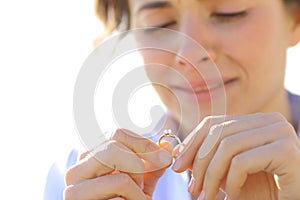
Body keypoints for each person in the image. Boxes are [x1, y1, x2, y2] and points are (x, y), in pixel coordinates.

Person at [44, 0, 300, 199]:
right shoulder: (79, 179)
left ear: (295, 19)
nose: (190, 53)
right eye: (160, 22)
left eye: (227, 12)